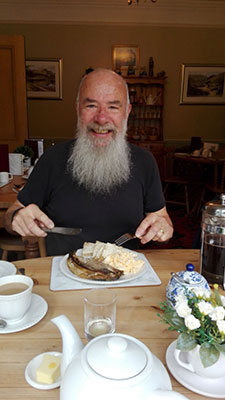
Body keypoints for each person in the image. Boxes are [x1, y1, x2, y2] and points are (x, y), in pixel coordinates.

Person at [4, 68, 173, 256]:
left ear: (127, 111)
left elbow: (161, 216)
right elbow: (13, 213)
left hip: (125, 276)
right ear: (77, 109)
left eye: (113, 107)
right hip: (63, 276)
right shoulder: (52, 159)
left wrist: (163, 227)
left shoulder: (145, 162)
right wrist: (17, 217)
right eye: (91, 105)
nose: (101, 118)